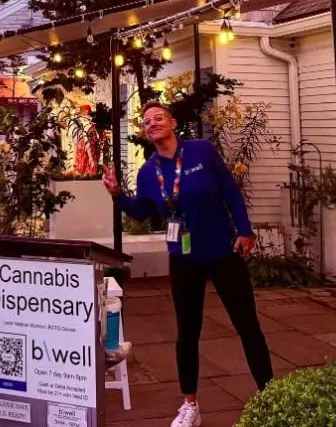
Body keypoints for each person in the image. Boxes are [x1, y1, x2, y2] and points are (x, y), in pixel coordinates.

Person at [102, 102, 272, 427]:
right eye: (147, 121)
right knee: (187, 334)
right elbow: (142, 212)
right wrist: (117, 194)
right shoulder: (148, 172)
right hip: (184, 259)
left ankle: (270, 394)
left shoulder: (201, 151)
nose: (152, 124)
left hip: (223, 252)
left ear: (173, 122)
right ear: (144, 132)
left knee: (248, 326)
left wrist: (245, 230)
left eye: (158, 118)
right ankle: (189, 405)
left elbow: (230, 192)